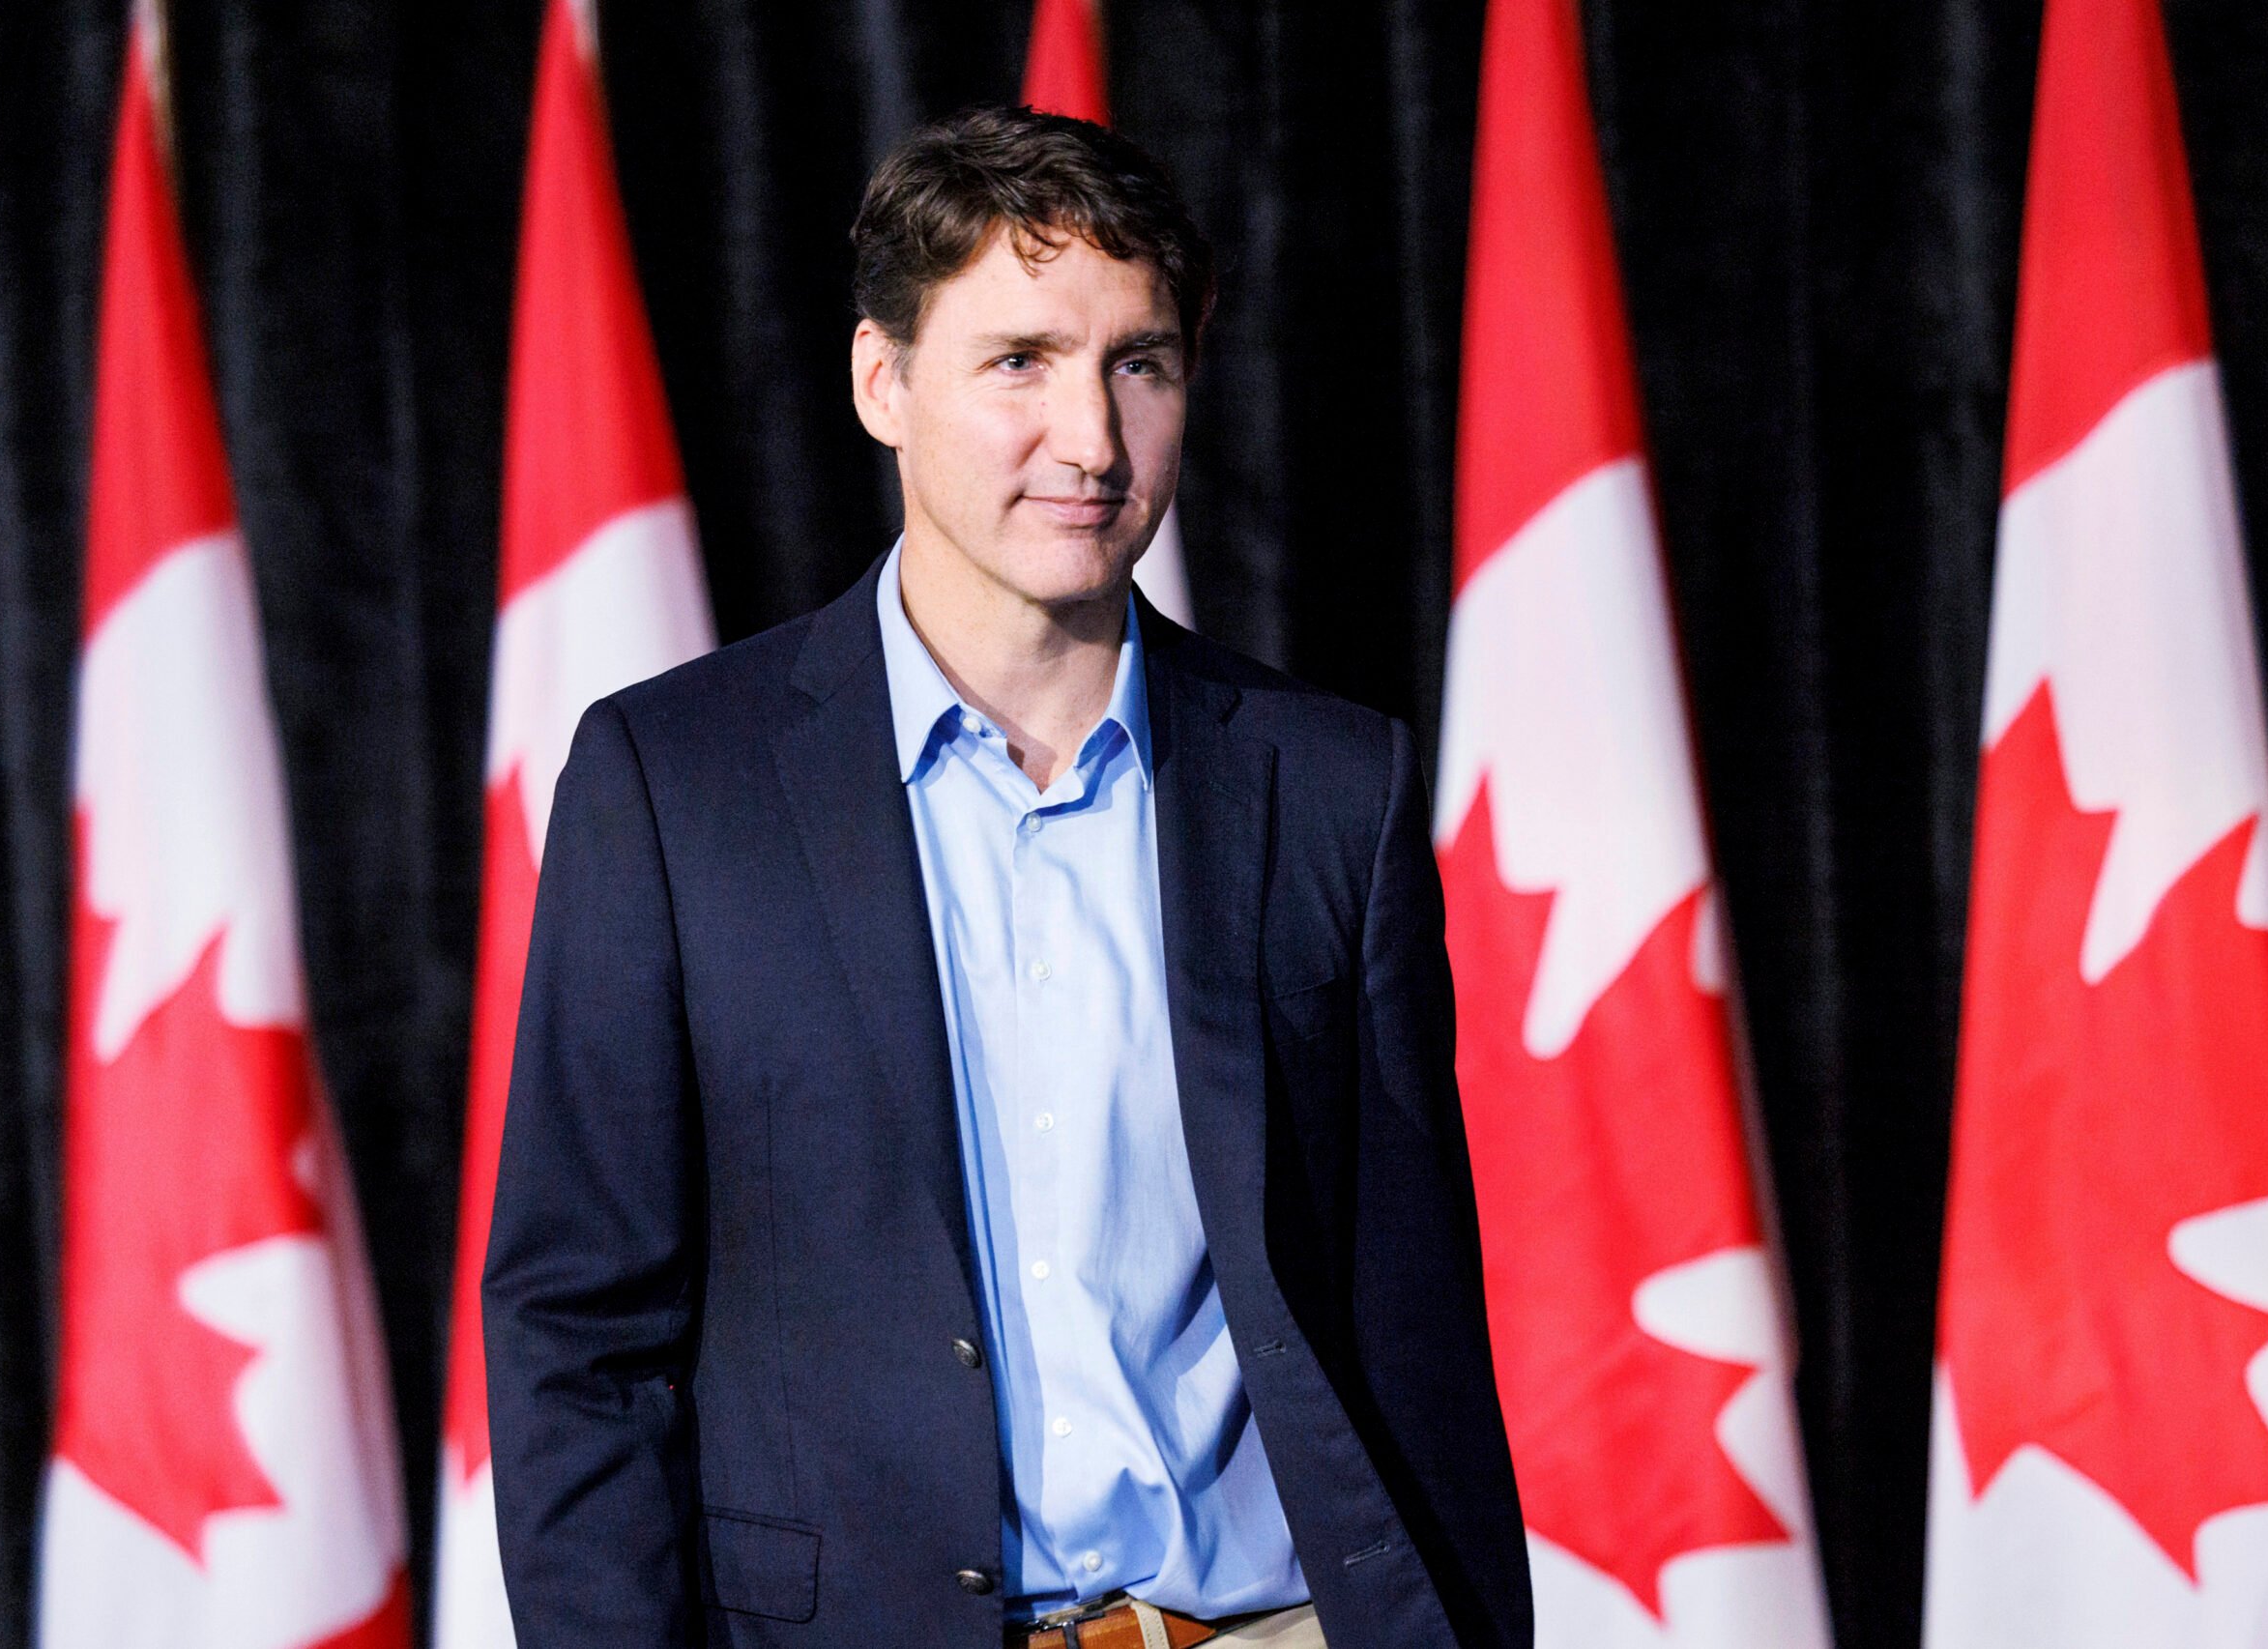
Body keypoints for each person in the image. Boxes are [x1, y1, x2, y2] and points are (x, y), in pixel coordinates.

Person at [483, 105, 1530, 1649]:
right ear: (881, 382)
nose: (1094, 440)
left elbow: (1415, 1330)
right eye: (1021, 360)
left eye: (1140, 362)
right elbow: (581, 1333)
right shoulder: (675, 787)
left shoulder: (1327, 786)